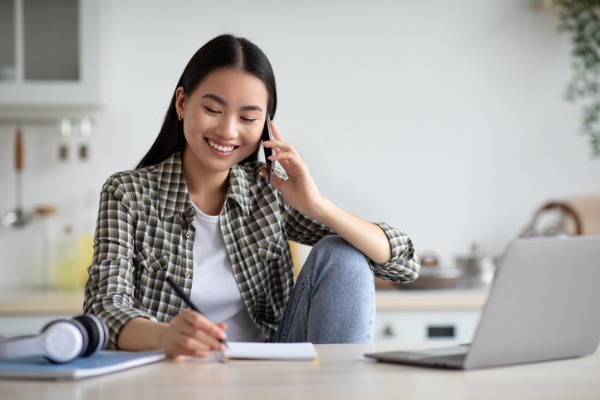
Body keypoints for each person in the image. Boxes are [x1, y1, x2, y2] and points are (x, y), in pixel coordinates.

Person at [83, 34, 420, 359]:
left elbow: (403, 263)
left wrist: (316, 204)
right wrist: (166, 335)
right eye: (213, 110)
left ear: (266, 127)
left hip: (272, 371)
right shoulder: (128, 193)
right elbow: (103, 309)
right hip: (175, 372)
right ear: (182, 103)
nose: (228, 131)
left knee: (343, 253)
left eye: (247, 118)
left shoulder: (269, 193)